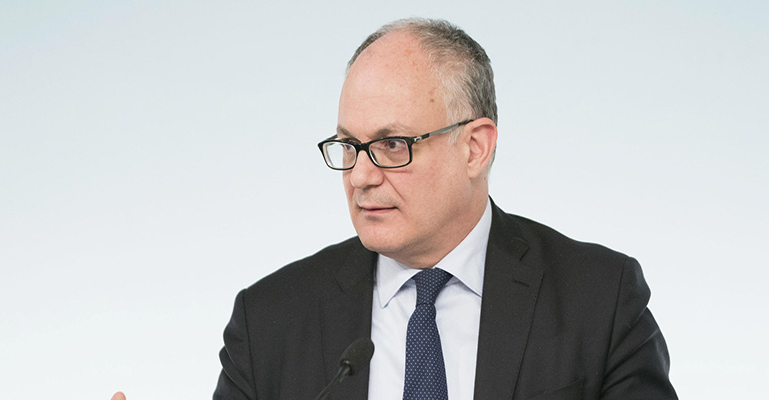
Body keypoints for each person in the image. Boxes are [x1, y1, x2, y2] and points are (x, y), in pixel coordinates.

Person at [117, 17, 677, 400]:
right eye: (349, 147)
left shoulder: (599, 299)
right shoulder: (267, 322)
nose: (360, 176)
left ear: (475, 147)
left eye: (391, 145)